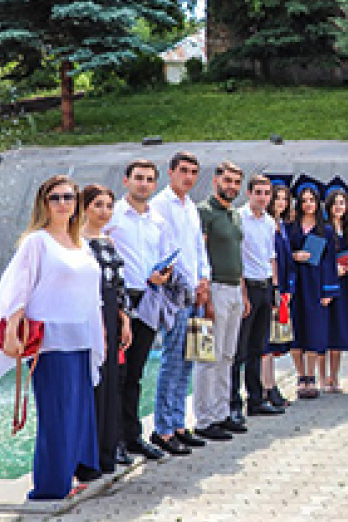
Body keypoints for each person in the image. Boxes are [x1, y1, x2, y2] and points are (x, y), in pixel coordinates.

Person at [0, 175, 105, 499]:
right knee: (56, 413)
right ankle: (50, 487)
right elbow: (18, 286)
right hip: (51, 342)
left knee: (77, 411)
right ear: (44, 203)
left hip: (81, 338)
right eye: (55, 198)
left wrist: (101, 336)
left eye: (69, 197)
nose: (63, 203)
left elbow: (91, 295)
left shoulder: (82, 244)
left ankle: (68, 476)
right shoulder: (37, 241)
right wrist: (13, 326)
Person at [105, 159, 178, 461]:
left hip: (148, 298)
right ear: (126, 181)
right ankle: (114, 441)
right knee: (116, 374)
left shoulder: (157, 221)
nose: (144, 184)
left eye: (149, 179)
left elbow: (166, 257)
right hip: (120, 301)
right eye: (138, 178)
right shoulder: (113, 216)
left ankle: (133, 437)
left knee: (135, 373)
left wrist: (165, 274)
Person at [149, 151, 214, 446]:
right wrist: (189, 282)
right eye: (183, 171)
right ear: (171, 171)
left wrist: (204, 279)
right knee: (172, 360)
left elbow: (198, 248)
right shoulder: (161, 205)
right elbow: (166, 251)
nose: (188, 177)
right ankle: (163, 427)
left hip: (194, 292)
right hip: (175, 292)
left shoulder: (190, 207)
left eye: (193, 172)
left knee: (188, 359)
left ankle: (178, 424)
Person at [79, 184, 133, 478]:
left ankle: (107, 451)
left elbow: (119, 285)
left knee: (113, 382)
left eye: (108, 206)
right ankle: (88, 455)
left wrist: (124, 319)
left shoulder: (108, 242)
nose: (104, 211)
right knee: (94, 383)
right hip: (90, 315)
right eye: (97, 205)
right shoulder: (78, 242)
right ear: (85, 207)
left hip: (113, 314)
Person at [195, 161, 249, 439]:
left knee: (228, 356)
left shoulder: (234, 215)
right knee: (210, 357)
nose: (232, 187)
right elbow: (200, 253)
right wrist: (205, 297)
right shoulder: (205, 212)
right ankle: (204, 419)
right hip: (214, 288)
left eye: (237, 182)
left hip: (234, 289)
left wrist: (243, 292)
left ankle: (222, 412)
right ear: (216, 180)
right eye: (227, 181)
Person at [231, 174, 284, 419]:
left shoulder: (270, 222)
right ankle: (233, 403)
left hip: (265, 286)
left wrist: (275, 289)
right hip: (247, 287)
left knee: (257, 347)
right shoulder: (239, 218)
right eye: (258, 193)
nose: (263, 198)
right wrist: (243, 293)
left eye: (266, 193)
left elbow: (271, 257)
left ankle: (256, 398)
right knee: (239, 350)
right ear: (249, 193)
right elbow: (237, 258)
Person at [285, 175, 337, 399]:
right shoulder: (290, 228)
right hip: (296, 283)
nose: (308, 204)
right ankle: (301, 377)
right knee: (297, 329)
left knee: (314, 330)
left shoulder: (325, 230)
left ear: (317, 204)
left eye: (311, 200)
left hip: (316, 284)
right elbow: (282, 255)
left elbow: (330, 261)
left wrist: (328, 291)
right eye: (304, 200)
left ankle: (312, 375)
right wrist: (294, 255)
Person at [323, 177, 348, 392]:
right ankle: (322, 377)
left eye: (343, 204)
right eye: (336, 203)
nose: (339, 207)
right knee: (325, 330)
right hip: (328, 283)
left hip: (345, 283)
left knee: (337, 330)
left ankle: (334, 376)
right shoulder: (323, 228)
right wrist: (332, 270)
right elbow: (318, 258)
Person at [261, 175, 295, 407]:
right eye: (277, 198)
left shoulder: (282, 225)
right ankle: (266, 388)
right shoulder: (265, 223)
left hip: (281, 288)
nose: (281, 202)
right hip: (268, 287)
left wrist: (287, 289)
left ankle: (270, 386)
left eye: (284, 199)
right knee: (264, 342)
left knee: (273, 342)